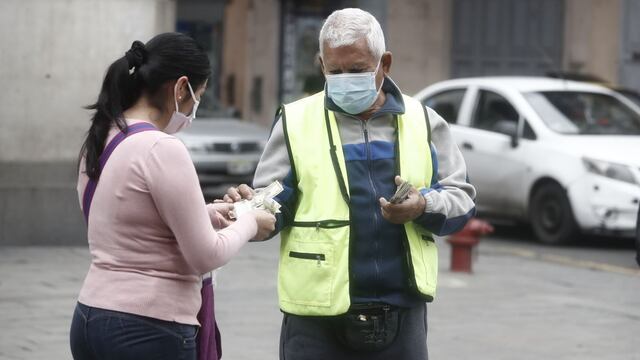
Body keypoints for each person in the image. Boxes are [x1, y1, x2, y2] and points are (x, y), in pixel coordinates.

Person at [224, 8, 476, 360]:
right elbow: (272, 201)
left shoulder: (424, 122)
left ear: (384, 64)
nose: (344, 79)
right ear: (321, 64)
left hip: (402, 312)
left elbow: (461, 198)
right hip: (315, 316)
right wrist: (248, 211)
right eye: (334, 70)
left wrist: (423, 205)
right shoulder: (296, 121)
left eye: (357, 70)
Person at [69, 32, 276, 360]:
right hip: (149, 328)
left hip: (91, 318)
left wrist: (210, 213)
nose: (194, 108)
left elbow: (131, 221)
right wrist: (250, 221)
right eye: (199, 95)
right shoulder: (161, 147)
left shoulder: (103, 136)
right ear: (181, 88)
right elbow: (206, 255)